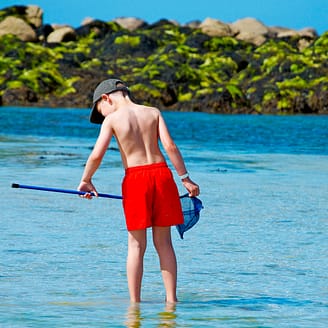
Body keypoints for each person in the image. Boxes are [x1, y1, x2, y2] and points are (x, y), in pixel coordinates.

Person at [77, 78, 200, 303]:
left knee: (136, 245)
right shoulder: (153, 112)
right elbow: (170, 146)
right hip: (163, 176)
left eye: (100, 111)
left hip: (136, 180)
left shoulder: (112, 120)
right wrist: (186, 179)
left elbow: (96, 154)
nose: (102, 116)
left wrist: (86, 180)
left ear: (106, 98)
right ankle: (171, 301)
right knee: (164, 243)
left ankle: (135, 304)